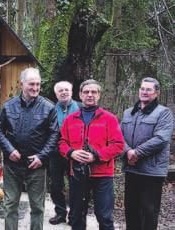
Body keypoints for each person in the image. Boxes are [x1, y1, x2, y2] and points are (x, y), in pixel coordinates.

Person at [0, 67, 59, 230]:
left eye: (38, 84)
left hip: (36, 165)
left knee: (37, 207)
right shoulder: (9, 106)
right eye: (31, 84)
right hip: (13, 165)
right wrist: (9, 149)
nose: (35, 88)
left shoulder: (48, 107)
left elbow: (54, 134)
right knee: (10, 206)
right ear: (21, 84)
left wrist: (41, 157)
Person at [59, 79, 124, 230]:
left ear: (99, 95)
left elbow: (118, 145)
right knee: (76, 216)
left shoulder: (109, 119)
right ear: (80, 95)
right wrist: (71, 152)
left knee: (104, 217)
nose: (90, 95)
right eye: (86, 92)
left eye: (93, 92)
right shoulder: (70, 119)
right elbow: (62, 143)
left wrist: (96, 156)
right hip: (77, 174)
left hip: (102, 175)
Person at [120, 77, 173, 230]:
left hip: (152, 171)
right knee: (131, 210)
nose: (144, 92)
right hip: (131, 169)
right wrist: (127, 151)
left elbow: (161, 139)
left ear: (156, 93)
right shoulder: (128, 113)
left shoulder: (164, 113)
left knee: (149, 211)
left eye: (148, 89)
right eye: (142, 88)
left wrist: (136, 152)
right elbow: (118, 136)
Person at [49, 81, 80, 225]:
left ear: (72, 91)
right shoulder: (50, 109)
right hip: (56, 154)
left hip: (76, 154)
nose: (64, 92)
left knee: (76, 186)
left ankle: (74, 215)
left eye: (66, 90)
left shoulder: (81, 107)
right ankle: (60, 213)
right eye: (60, 91)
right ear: (56, 94)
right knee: (56, 185)